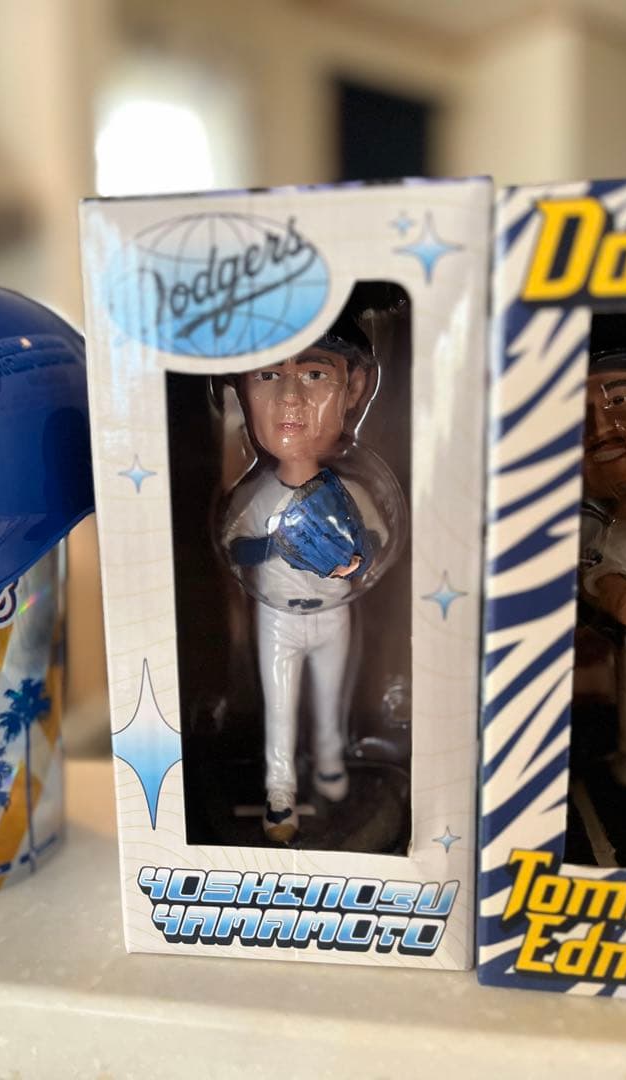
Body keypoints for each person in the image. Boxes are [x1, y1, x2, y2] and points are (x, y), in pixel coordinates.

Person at [222, 307, 392, 842]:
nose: (291, 398)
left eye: (315, 374)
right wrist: (279, 544)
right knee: (280, 710)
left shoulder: (349, 491)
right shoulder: (258, 496)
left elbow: (377, 539)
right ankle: (280, 793)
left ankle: (331, 765)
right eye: (268, 375)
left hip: (334, 613)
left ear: (353, 388)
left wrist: (355, 556)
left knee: (329, 699)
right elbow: (236, 549)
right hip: (278, 618)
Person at [580, 317, 626, 789]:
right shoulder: (607, 537)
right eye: (580, 415)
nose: (602, 427)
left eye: (619, 401)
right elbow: (624, 607)